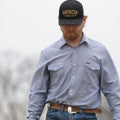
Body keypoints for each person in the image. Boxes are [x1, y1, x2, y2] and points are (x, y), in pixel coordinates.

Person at [27, 0, 120, 120]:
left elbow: (112, 88)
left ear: (84, 20)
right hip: (55, 115)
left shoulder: (100, 51)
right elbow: (38, 91)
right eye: (66, 24)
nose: (70, 28)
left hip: (87, 116)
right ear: (59, 20)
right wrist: (32, 117)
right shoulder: (48, 53)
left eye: (75, 23)